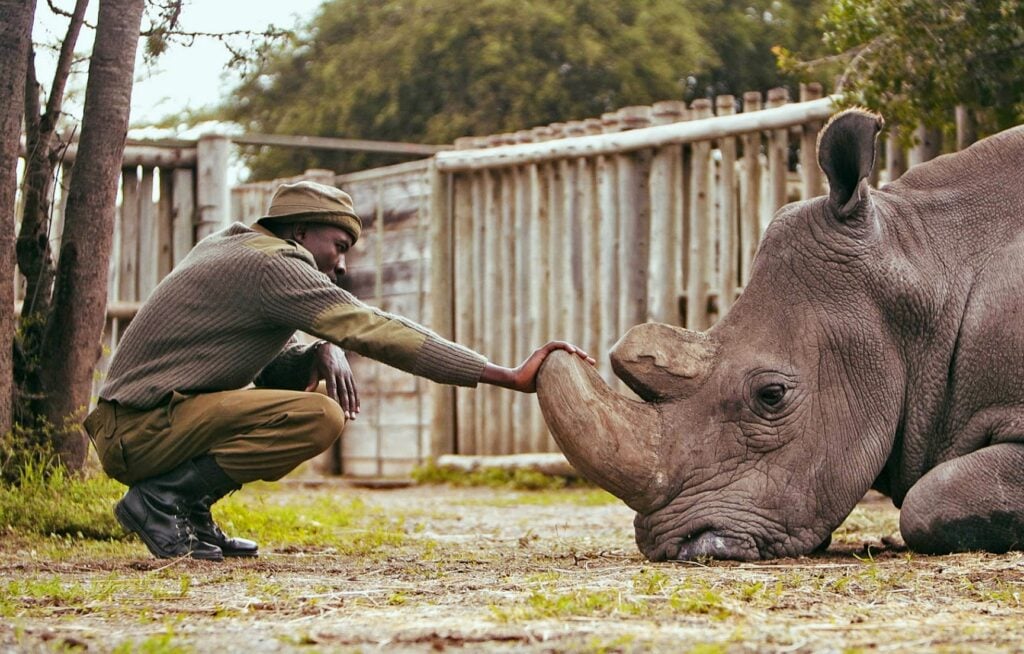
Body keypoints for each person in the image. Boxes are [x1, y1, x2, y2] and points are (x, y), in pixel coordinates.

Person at [83, 180, 593, 561]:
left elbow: (252, 371)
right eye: (339, 246)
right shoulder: (274, 265)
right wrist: (505, 375)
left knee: (301, 402)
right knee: (317, 416)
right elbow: (371, 328)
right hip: (140, 429)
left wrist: (314, 354)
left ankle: (188, 512)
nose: (343, 265)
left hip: (140, 423)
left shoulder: (236, 246)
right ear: (301, 231)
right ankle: (163, 500)